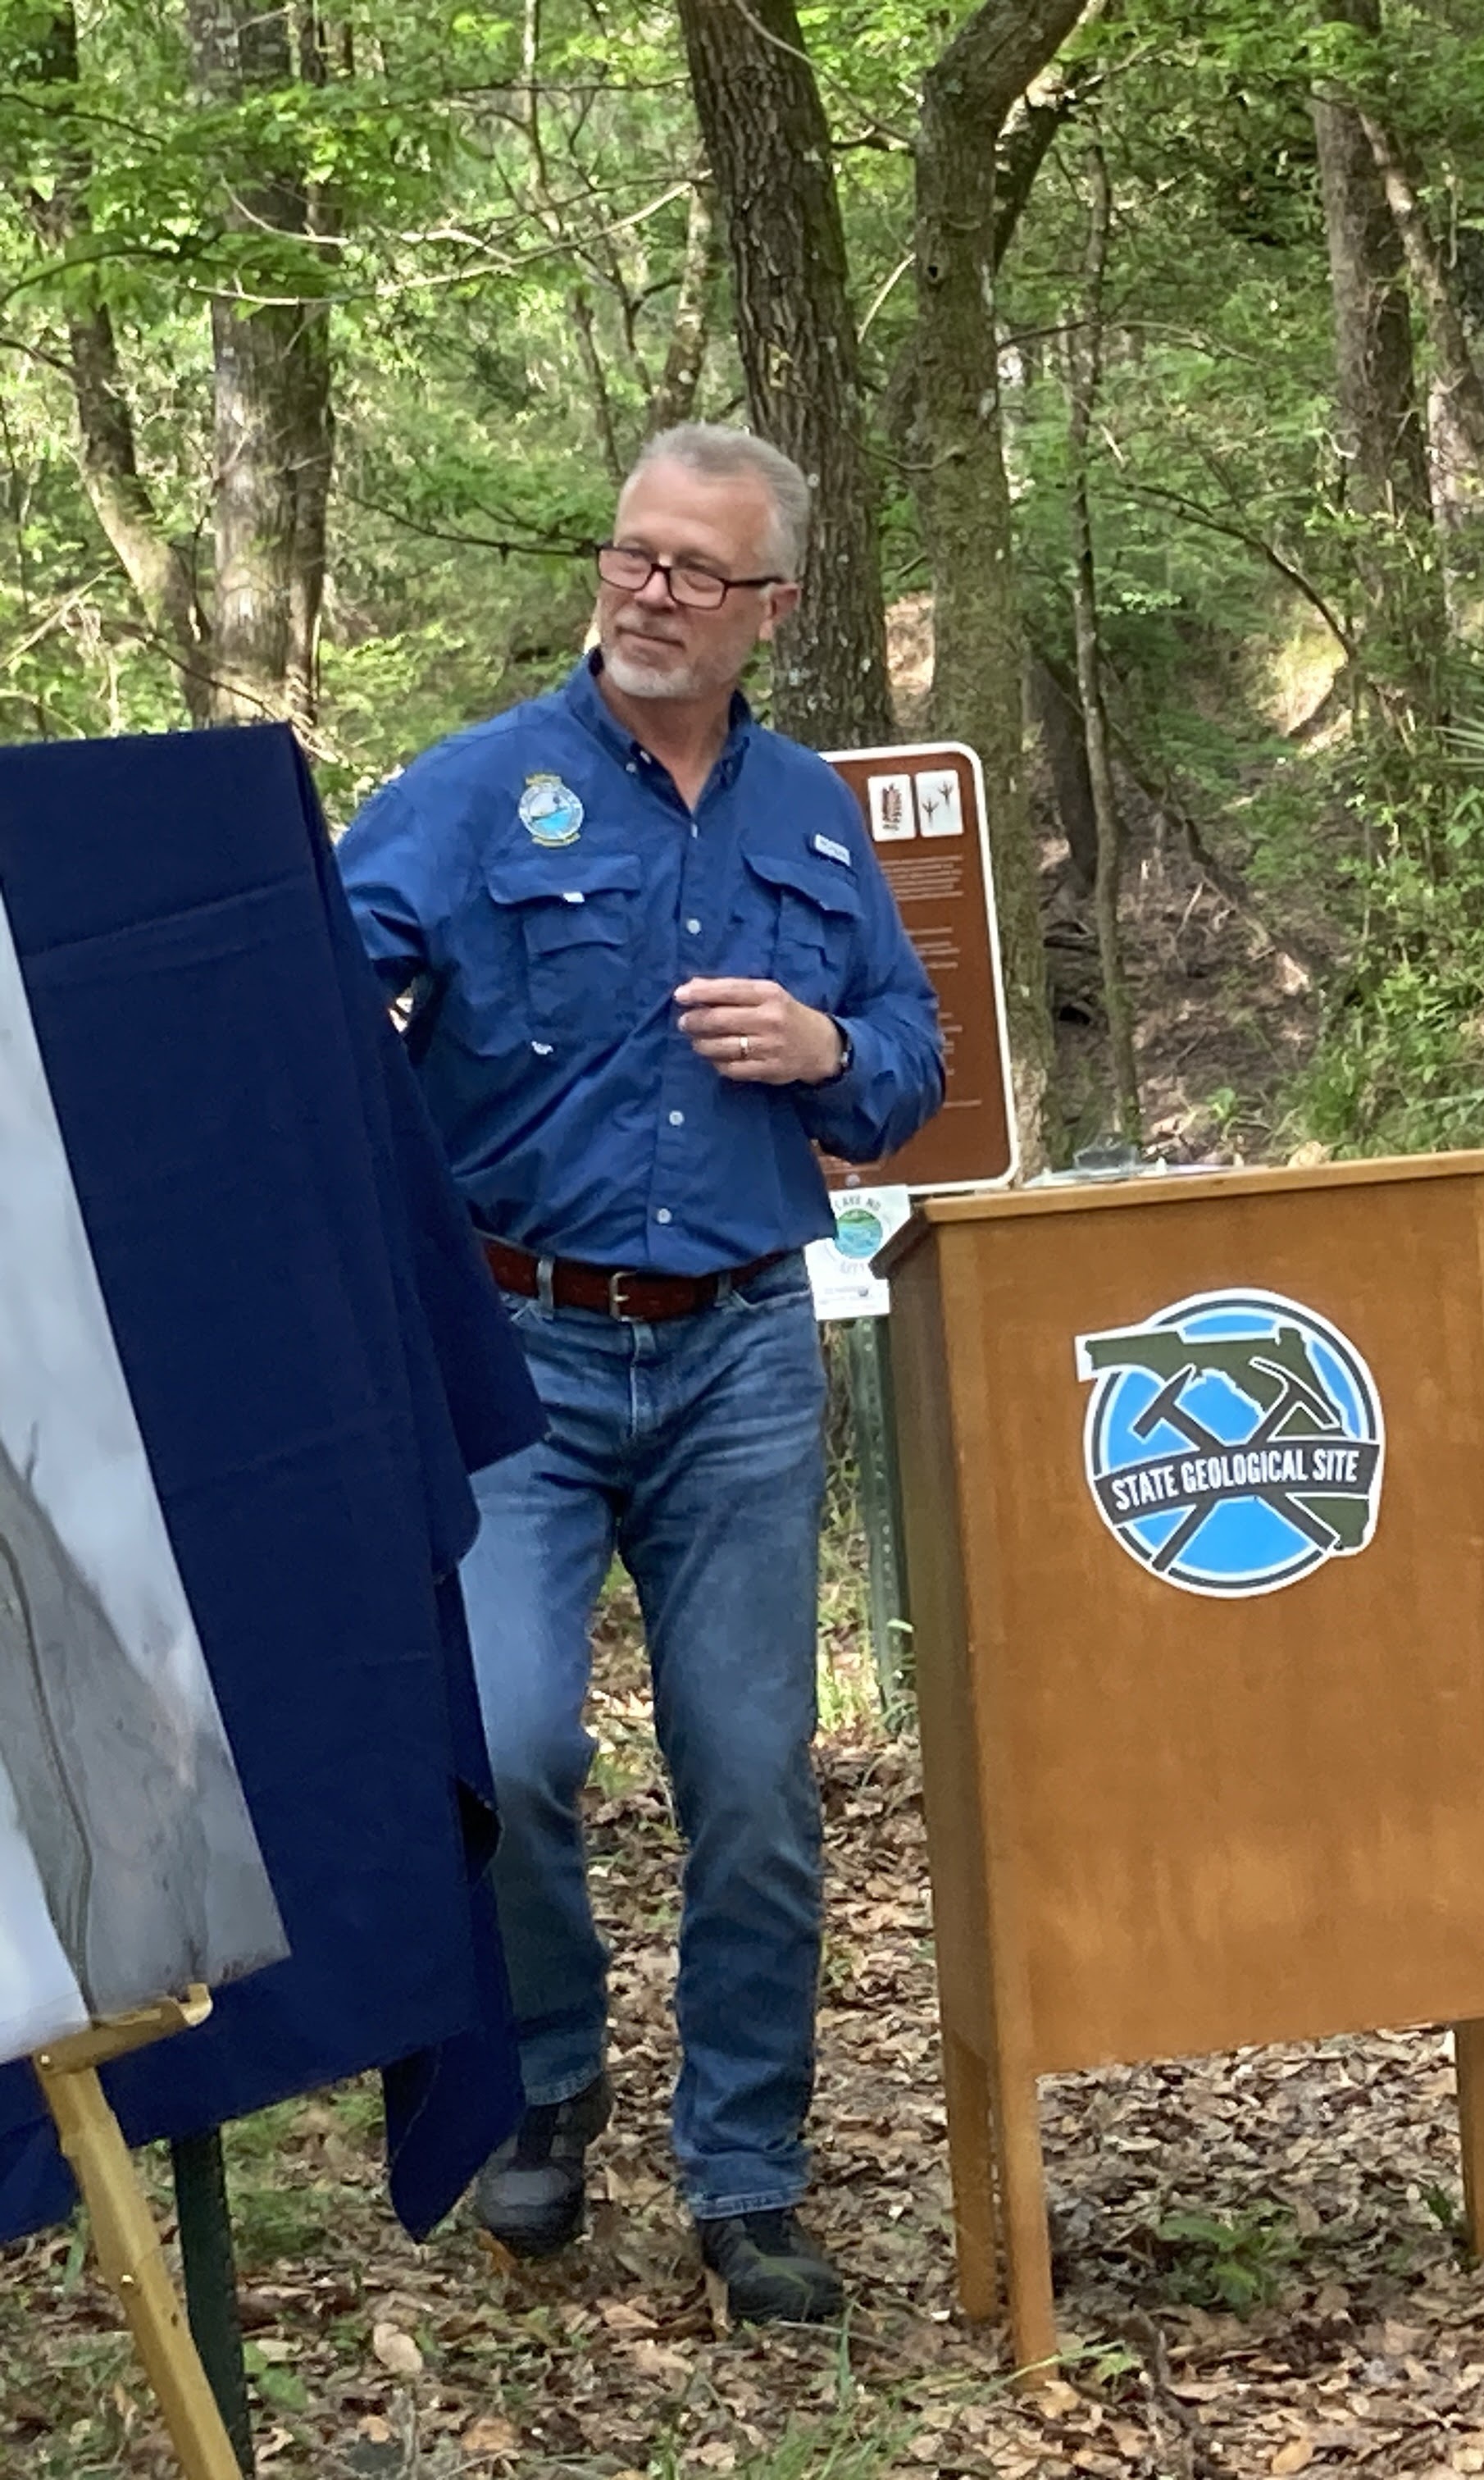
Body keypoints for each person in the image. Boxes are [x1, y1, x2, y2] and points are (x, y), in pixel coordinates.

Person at [339, 425, 946, 2320]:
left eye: (698, 569)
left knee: (755, 1779)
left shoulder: (812, 821)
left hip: (744, 1357)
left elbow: (910, 1062)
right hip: (512, 1351)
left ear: (773, 605)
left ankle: (748, 2174)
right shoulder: (467, 793)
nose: (652, 591)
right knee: (510, 1750)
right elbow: (310, 992)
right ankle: (543, 2077)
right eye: (634, 555)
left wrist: (826, 1039)